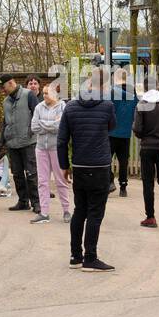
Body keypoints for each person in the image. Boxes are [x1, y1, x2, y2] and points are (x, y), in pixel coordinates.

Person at [57, 69, 117, 272]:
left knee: (79, 211)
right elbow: (112, 127)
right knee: (95, 213)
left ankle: (75, 256)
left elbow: (62, 140)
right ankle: (90, 258)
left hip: (79, 166)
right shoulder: (107, 106)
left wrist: (64, 165)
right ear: (103, 87)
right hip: (99, 166)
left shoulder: (70, 107)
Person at [132, 82, 159, 228]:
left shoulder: (142, 104)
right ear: (158, 87)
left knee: (148, 182)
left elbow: (138, 129)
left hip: (147, 148)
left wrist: (142, 134)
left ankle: (150, 217)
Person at [30, 81, 70, 223]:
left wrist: (45, 124)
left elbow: (61, 127)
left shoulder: (63, 107)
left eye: (47, 93)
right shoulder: (38, 107)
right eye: (44, 93)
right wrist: (51, 125)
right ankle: (44, 212)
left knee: (61, 180)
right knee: (42, 181)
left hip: (56, 148)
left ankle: (66, 210)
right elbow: (34, 127)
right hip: (41, 148)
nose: (45, 95)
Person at [0, 73, 40, 213]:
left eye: (3, 87)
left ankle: (36, 202)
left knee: (31, 174)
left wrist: (31, 132)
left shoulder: (29, 95)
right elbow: (5, 122)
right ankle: (23, 201)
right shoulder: (5, 102)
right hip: (12, 143)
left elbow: (37, 115)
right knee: (17, 174)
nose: (2, 90)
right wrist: (2, 141)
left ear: (11, 83)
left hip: (28, 142)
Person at [108, 67, 138, 196]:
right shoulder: (133, 94)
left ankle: (110, 181)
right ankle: (123, 186)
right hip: (126, 133)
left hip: (111, 132)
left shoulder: (112, 92)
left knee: (106, 159)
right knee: (123, 161)